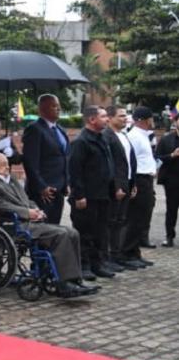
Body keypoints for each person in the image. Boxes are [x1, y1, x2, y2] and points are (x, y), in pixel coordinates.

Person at [0, 153, 98, 298]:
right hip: (9, 223)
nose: (7, 166)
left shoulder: (11, 179)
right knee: (61, 235)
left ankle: (74, 279)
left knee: (72, 232)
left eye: (7, 163)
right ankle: (65, 284)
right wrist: (26, 212)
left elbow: (26, 199)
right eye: (2, 164)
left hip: (27, 220)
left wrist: (36, 210)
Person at [67, 106, 116, 280]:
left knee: (100, 232)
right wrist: (79, 195)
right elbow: (75, 170)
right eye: (103, 116)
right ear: (92, 120)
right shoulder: (81, 142)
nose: (107, 119)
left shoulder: (102, 138)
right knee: (85, 233)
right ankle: (84, 265)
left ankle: (98, 264)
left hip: (102, 194)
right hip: (87, 196)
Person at [102, 106, 140, 271]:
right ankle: (109, 256)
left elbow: (128, 162)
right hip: (116, 186)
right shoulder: (107, 136)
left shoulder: (123, 135)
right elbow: (112, 164)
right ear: (110, 118)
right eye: (121, 116)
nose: (125, 119)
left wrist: (133, 184)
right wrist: (117, 186)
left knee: (121, 220)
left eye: (126, 116)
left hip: (127, 182)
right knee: (112, 221)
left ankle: (118, 254)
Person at [22, 94, 69, 224]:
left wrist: (66, 182)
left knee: (55, 226)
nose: (58, 108)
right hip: (43, 191)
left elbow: (64, 157)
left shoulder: (60, 129)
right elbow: (30, 161)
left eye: (58, 106)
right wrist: (41, 186)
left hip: (59, 188)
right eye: (54, 106)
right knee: (44, 227)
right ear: (42, 109)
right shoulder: (35, 129)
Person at [124, 106, 159, 254]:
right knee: (137, 216)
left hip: (147, 179)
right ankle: (130, 251)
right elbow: (130, 161)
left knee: (144, 214)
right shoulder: (134, 136)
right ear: (144, 120)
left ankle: (135, 249)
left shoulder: (144, 135)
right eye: (150, 118)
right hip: (139, 179)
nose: (153, 121)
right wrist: (133, 184)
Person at [157, 117, 179, 247]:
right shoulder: (166, 139)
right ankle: (169, 236)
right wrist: (172, 155)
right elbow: (157, 159)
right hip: (172, 180)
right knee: (171, 209)